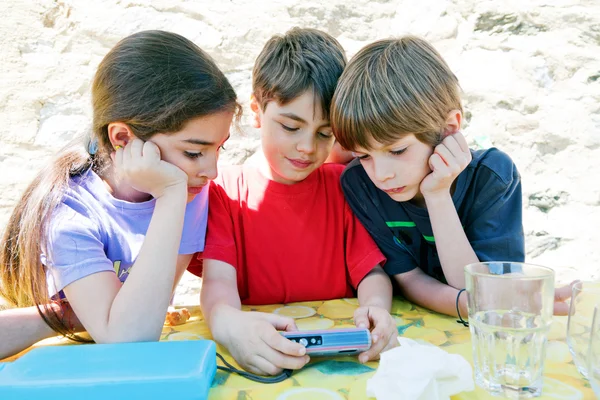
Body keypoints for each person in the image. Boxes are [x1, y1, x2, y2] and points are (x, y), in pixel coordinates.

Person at [0, 30, 239, 359]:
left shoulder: (190, 191)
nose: (212, 171)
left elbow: (145, 312)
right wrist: (170, 198)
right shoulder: (69, 215)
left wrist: (95, 314)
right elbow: (131, 340)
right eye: (195, 153)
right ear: (124, 139)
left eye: (219, 148)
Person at [193, 28, 397, 377]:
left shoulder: (344, 185)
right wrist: (229, 326)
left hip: (346, 361)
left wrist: (377, 309)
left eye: (324, 133)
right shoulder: (225, 190)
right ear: (257, 112)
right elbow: (217, 284)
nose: (307, 147)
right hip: (265, 356)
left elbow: (370, 271)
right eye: (291, 127)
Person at [330, 36, 573, 319]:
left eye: (397, 150)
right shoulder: (360, 184)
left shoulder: (492, 177)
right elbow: (409, 279)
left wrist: (437, 194)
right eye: (364, 155)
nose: (382, 175)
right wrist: (474, 305)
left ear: (448, 128)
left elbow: (480, 286)